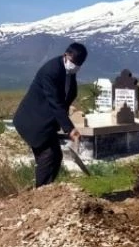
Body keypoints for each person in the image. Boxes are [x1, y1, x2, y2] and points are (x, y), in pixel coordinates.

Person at [13, 42, 88, 187]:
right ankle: (41, 192)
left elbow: (67, 97)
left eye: (79, 64)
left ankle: (47, 190)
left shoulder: (69, 73)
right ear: (66, 55)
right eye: (73, 62)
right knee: (48, 155)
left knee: (56, 156)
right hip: (33, 121)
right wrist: (69, 129)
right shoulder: (51, 70)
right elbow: (55, 102)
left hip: (46, 122)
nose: (75, 66)